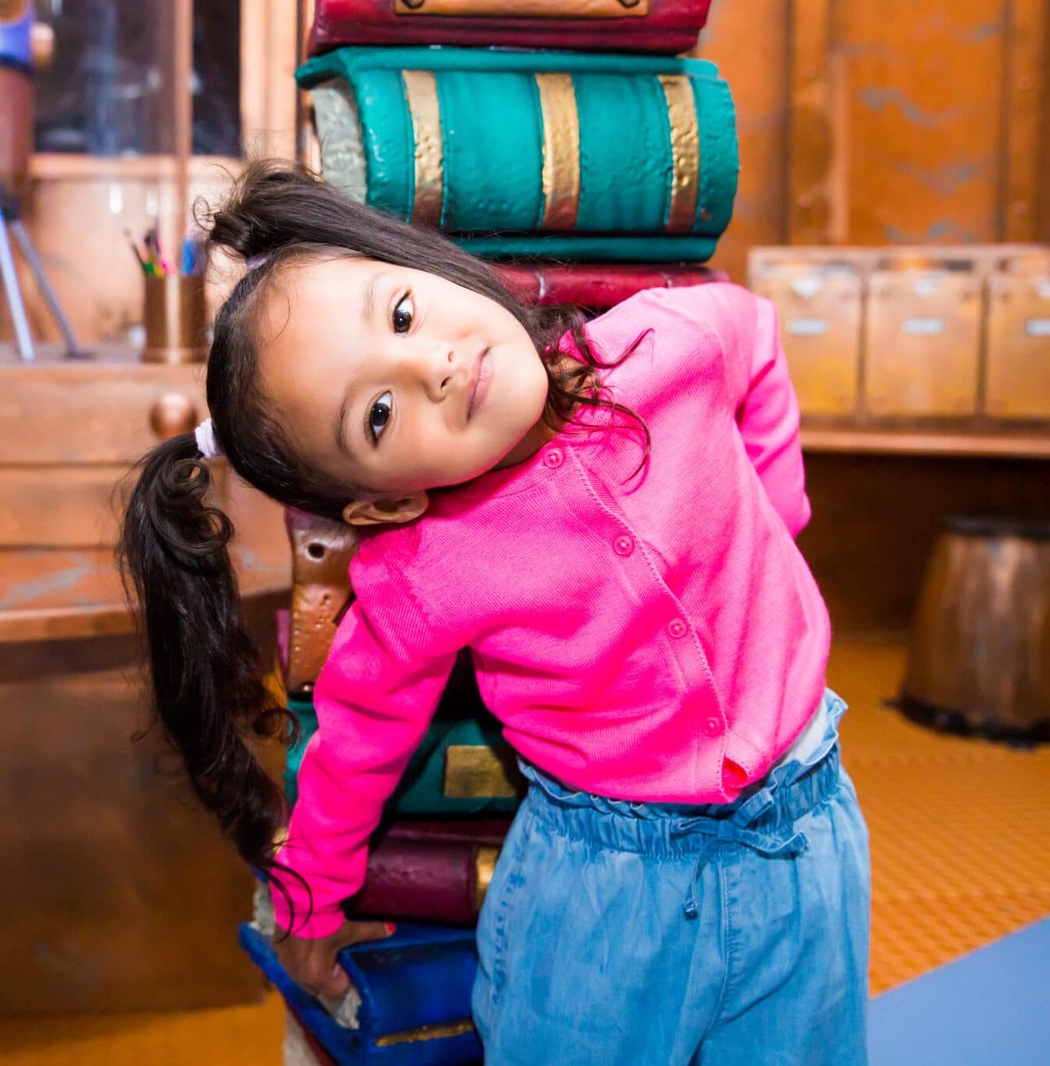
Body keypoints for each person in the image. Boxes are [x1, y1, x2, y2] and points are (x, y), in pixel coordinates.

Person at [118, 161, 870, 1065]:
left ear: (426, 265)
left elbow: (756, 332)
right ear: (386, 501)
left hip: (807, 836)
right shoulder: (420, 573)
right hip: (603, 894)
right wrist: (309, 908)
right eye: (379, 414)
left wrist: (780, 519)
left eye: (402, 314)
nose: (431, 365)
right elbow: (355, 740)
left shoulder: (662, 344)